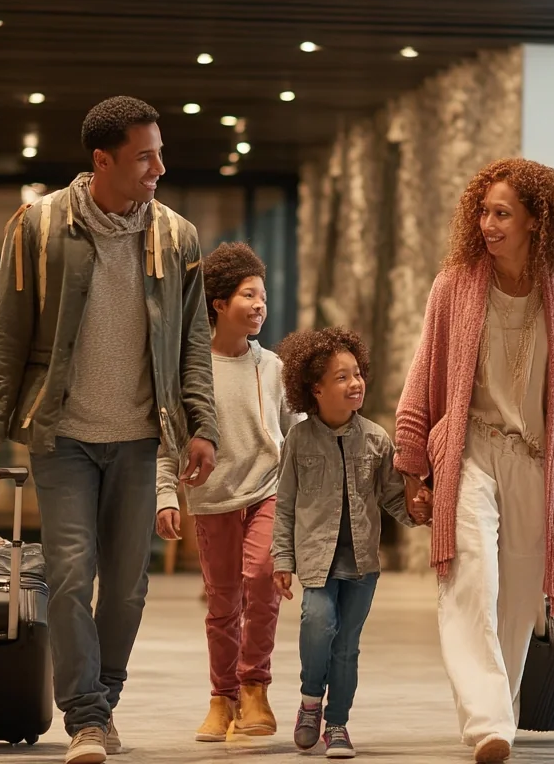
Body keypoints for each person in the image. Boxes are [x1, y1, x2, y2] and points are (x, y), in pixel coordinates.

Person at [0, 95, 218, 764]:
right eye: (144, 156)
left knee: (129, 585)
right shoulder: (38, 227)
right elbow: (6, 337)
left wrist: (200, 426)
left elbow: (191, 343)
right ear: (102, 161)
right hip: (63, 435)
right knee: (73, 572)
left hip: (138, 438)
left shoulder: (178, 237)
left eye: (159, 151)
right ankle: (88, 717)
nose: (159, 166)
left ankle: (99, 699)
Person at [393, 158, 554, 763]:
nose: (488, 224)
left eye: (502, 213)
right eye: (483, 212)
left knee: (520, 598)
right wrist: (413, 463)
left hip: (539, 463)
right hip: (470, 449)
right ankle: (490, 722)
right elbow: (423, 376)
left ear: (535, 222)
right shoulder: (456, 286)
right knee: (473, 577)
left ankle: (501, 710)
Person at [154, 242, 303, 742]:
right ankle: (223, 697)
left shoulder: (274, 368)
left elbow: (296, 431)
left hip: (268, 489)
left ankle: (255, 686)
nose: (260, 305)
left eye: (262, 295)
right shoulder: (189, 371)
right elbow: (168, 441)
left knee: (262, 580)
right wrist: (166, 496)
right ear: (218, 303)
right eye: (248, 295)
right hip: (212, 496)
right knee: (223, 602)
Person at [271, 327, 431, 760]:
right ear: (316, 389)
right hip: (317, 562)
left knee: (347, 647)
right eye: (341, 377)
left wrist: (420, 511)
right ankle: (310, 702)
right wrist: (281, 558)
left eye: (357, 373)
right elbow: (284, 506)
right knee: (317, 624)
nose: (354, 383)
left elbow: (393, 498)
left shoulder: (377, 439)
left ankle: (337, 724)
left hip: (362, 565)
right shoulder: (298, 440)